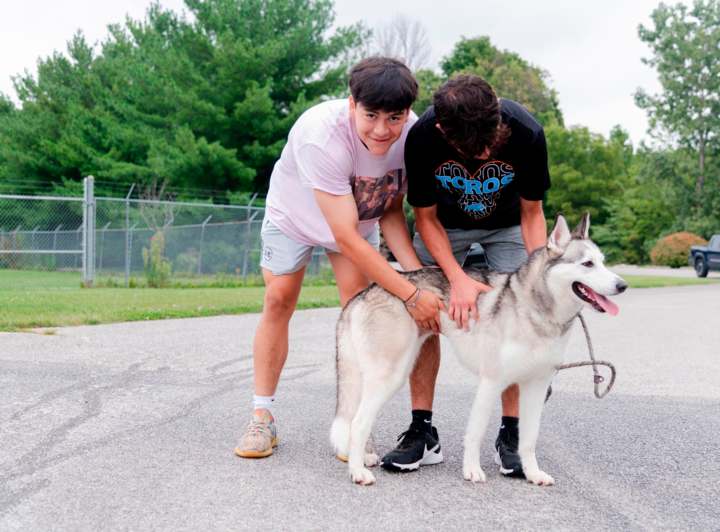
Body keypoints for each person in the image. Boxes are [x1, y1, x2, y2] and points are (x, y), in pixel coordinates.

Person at [235, 57, 443, 459]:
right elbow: (344, 237)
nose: (382, 130)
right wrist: (412, 296)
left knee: (358, 314)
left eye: (394, 118)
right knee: (279, 300)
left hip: (359, 220)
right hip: (294, 218)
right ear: (352, 103)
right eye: (370, 116)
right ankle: (262, 416)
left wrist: (419, 278)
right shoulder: (321, 136)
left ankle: (353, 426)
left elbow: (390, 209)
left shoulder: (413, 135)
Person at [380, 75, 551, 478]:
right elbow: (425, 218)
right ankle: (422, 431)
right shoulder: (422, 136)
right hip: (445, 228)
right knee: (423, 311)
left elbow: (532, 213)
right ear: (443, 129)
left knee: (515, 320)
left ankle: (511, 433)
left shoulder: (526, 130)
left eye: (493, 140)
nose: (488, 151)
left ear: (496, 114)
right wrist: (456, 278)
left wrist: (538, 276)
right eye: (475, 148)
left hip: (508, 226)